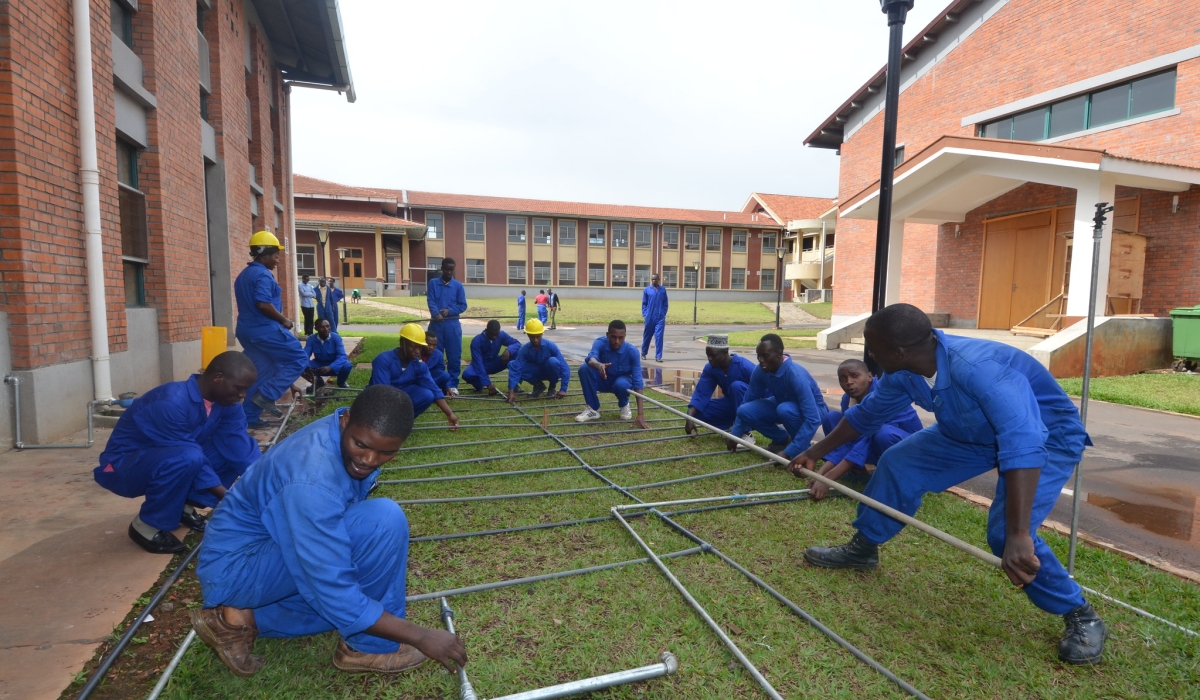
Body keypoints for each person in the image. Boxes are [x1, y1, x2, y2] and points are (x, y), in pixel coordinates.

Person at [788, 303, 1106, 665]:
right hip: (968, 432)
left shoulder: (979, 369)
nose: (869, 356)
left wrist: (1019, 535)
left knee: (1006, 535)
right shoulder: (904, 371)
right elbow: (866, 416)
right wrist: (814, 451)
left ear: (899, 352)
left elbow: (1023, 441)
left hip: (1045, 437)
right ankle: (864, 548)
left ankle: (1081, 614)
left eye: (873, 349)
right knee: (898, 462)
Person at [191, 385, 468, 677]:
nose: (369, 460)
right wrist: (420, 636)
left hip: (265, 550)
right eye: (361, 445)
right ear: (347, 421)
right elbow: (331, 585)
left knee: (348, 603)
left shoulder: (342, 433)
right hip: (238, 566)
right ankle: (368, 647)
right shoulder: (311, 480)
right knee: (381, 522)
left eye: (386, 452)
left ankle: (240, 619)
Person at [94, 352, 261, 554]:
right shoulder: (170, 402)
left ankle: (181, 505)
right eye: (239, 388)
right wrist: (233, 500)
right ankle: (146, 526)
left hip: (173, 456)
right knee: (189, 458)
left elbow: (238, 444)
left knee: (230, 450)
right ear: (218, 378)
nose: (243, 395)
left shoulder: (226, 403)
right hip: (123, 467)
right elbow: (189, 456)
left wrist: (264, 482)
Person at [806, 358, 923, 499]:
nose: (848, 382)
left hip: (909, 449)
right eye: (843, 378)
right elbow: (847, 439)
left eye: (854, 376)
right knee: (832, 418)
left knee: (881, 433)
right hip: (875, 440)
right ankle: (858, 471)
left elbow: (864, 440)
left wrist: (828, 479)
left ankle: (899, 478)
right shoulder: (848, 399)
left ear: (869, 376)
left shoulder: (883, 397)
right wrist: (820, 475)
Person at [235, 231, 308, 429]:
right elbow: (262, 303)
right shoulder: (263, 275)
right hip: (265, 330)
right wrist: (284, 319)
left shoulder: (244, 275)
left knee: (261, 370)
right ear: (264, 254)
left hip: (246, 331)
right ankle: (267, 396)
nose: (277, 260)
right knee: (299, 358)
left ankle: (248, 417)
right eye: (275, 256)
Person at [727, 333, 827, 458]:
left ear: (779, 353)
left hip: (815, 410)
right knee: (744, 410)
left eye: (765, 356)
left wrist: (788, 453)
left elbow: (813, 418)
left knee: (785, 409)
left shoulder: (796, 376)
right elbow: (748, 399)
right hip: (782, 403)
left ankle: (801, 450)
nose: (761, 360)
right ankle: (782, 439)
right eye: (759, 356)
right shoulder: (761, 370)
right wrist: (736, 434)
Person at [368, 324, 459, 427]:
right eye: (414, 347)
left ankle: (400, 423)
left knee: (427, 395)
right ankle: (385, 422)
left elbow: (434, 388)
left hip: (400, 396)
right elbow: (382, 393)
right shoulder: (383, 359)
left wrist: (450, 414)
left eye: (420, 348)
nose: (417, 352)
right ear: (402, 343)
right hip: (380, 399)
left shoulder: (419, 364)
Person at [576, 320, 648, 428]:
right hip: (602, 380)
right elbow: (591, 359)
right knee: (584, 368)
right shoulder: (600, 342)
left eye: (621, 338)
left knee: (622, 384)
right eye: (613, 337)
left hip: (620, 383)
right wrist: (599, 365)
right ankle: (593, 409)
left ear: (625, 336)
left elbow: (638, 382)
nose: (617, 341)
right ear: (607, 335)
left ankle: (624, 404)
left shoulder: (632, 351)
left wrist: (640, 414)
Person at [684, 334, 759, 434]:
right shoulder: (710, 368)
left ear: (725, 352)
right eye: (708, 355)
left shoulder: (744, 366)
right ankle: (732, 424)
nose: (710, 359)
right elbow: (701, 394)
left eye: (713, 355)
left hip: (752, 406)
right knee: (697, 412)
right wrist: (689, 418)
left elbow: (765, 391)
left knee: (736, 387)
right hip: (732, 405)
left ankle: (745, 431)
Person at [427, 258, 467, 396]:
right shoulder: (433, 283)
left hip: (452, 326)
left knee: (454, 356)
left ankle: (452, 385)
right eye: (447, 269)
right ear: (442, 268)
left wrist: (450, 311)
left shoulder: (458, 286)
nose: (449, 272)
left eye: (451, 270)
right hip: (436, 326)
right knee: (434, 355)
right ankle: (435, 384)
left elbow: (463, 305)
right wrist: (435, 313)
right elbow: (431, 300)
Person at [506, 319, 570, 403]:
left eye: (538, 336)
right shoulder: (524, 349)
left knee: (553, 361)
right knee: (512, 364)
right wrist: (511, 392)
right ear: (528, 335)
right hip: (535, 372)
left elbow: (564, 366)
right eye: (532, 337)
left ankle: (552, 387)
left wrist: (563, 389)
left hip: (549, 371)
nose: (535, 340)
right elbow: (516, 368)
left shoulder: (550, 346)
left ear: (542, 334)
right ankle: (538, 385)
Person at [462, 320, 520, 395]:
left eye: (496, 335)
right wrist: (488, 384)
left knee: (517, 353)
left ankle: (513, 385)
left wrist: (508, 350)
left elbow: (516, 343)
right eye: (492, 335)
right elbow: (478, 364)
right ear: (486, 330)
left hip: (495, 362)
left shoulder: (502, 335)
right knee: (467, 374)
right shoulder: (477, 341)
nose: (494, 337)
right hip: (480, 364)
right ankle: (479, 385)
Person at [302, 318, 353, 391]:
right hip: (319, 365)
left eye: (327, 326)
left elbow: (342, 356)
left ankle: (341, 383)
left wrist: (330, 367)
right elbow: (305, 355)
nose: (326, 329)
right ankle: (318, 382)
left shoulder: (336, 338)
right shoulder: (311, 339)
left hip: (333, 365)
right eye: (322, 327)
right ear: (316, 328)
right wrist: (307, 367)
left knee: (347, 365)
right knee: (301, 365)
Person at [641, 273, 668, 363]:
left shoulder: (663, 290)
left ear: (658, 279)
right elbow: (644, 303)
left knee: (659, 337)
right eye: (652, 279)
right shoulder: (647, 290)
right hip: (650, 317)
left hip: (660, 317)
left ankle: (658, 356)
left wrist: (663, 313)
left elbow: (665, 303)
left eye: (655, 279)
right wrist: (645, 314)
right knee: (647, 336)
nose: (653, 281)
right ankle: (644, 353)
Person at [421, 332, 454, 397]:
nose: (431, 347)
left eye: (434, 345)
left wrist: (447, 388)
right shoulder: (415, 353)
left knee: (445, 375)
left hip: (431, 380)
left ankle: (431, 391)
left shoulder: (438, 354)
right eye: (429, 344)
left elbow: (440, 372)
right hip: (417, 380)